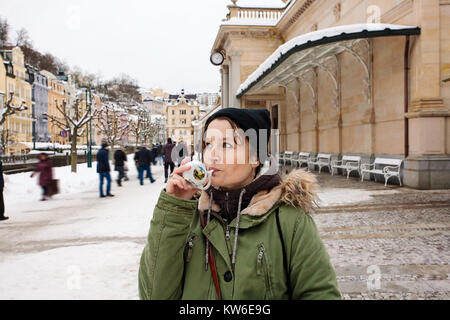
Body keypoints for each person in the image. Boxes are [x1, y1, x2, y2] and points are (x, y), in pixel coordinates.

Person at [138, 108, 341, 300]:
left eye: (226, 145)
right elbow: (154, 294)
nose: (212, 155)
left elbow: (319, 292)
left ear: (255, 158)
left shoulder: (289, 221)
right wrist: (173, 208)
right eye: (208, 144)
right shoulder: (186, 216)